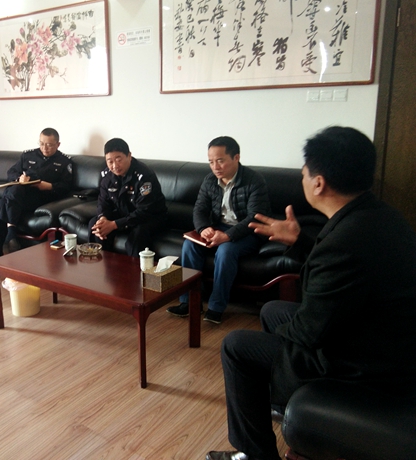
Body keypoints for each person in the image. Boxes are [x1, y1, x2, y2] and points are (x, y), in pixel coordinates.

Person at [206, 126, 416, 460]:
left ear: (318, 183)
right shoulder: (378, 216)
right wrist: (300, 241)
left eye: (304, 173)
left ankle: (254, 454)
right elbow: (338, 276)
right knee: (273, 310)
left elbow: (309, 330)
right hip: (376, 335)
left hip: (362, 362)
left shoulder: (345, 242)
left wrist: (280, 343)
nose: (302, 179)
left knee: (236, 345)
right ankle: (282, 397)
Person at [167, 137, 270, 324]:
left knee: (226, 250)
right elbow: (199, 209)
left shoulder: (254, 180)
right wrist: (204, 228)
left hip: (248, 231)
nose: (215, 167)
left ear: (236, 157)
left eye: (220, 160)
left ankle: (216, 307)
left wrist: (228, 235)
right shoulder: (210, 180)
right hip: (218, 227)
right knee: (189, 245)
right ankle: (189, 303)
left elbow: (255, 217)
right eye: (211, 161)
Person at [0, 127, 73, 258]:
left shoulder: (64, 161)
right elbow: (11, 172)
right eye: (41, 143)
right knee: (12, 193)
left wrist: (49, 186)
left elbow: (67, 186)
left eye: (49, 145)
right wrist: (19, 178)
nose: (44, 148)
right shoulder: (28, 156)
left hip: (41, 198)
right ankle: (5, 241)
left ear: (58, 144)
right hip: (20, 195)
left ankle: (1, 243)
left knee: (3, 202)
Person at [88, 138, 167, 258]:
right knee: (95, 225)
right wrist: (103, 218)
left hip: (149, 217)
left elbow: (145, 211)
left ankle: (133, 269)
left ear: (129, 156)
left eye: (118, 160)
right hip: (124, 214)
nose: (115, 166)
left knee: (137, 237)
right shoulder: (107, 176)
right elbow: (103, 202)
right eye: (110, 161)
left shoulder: (144, 176)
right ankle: (100, 263)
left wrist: (114, 224)